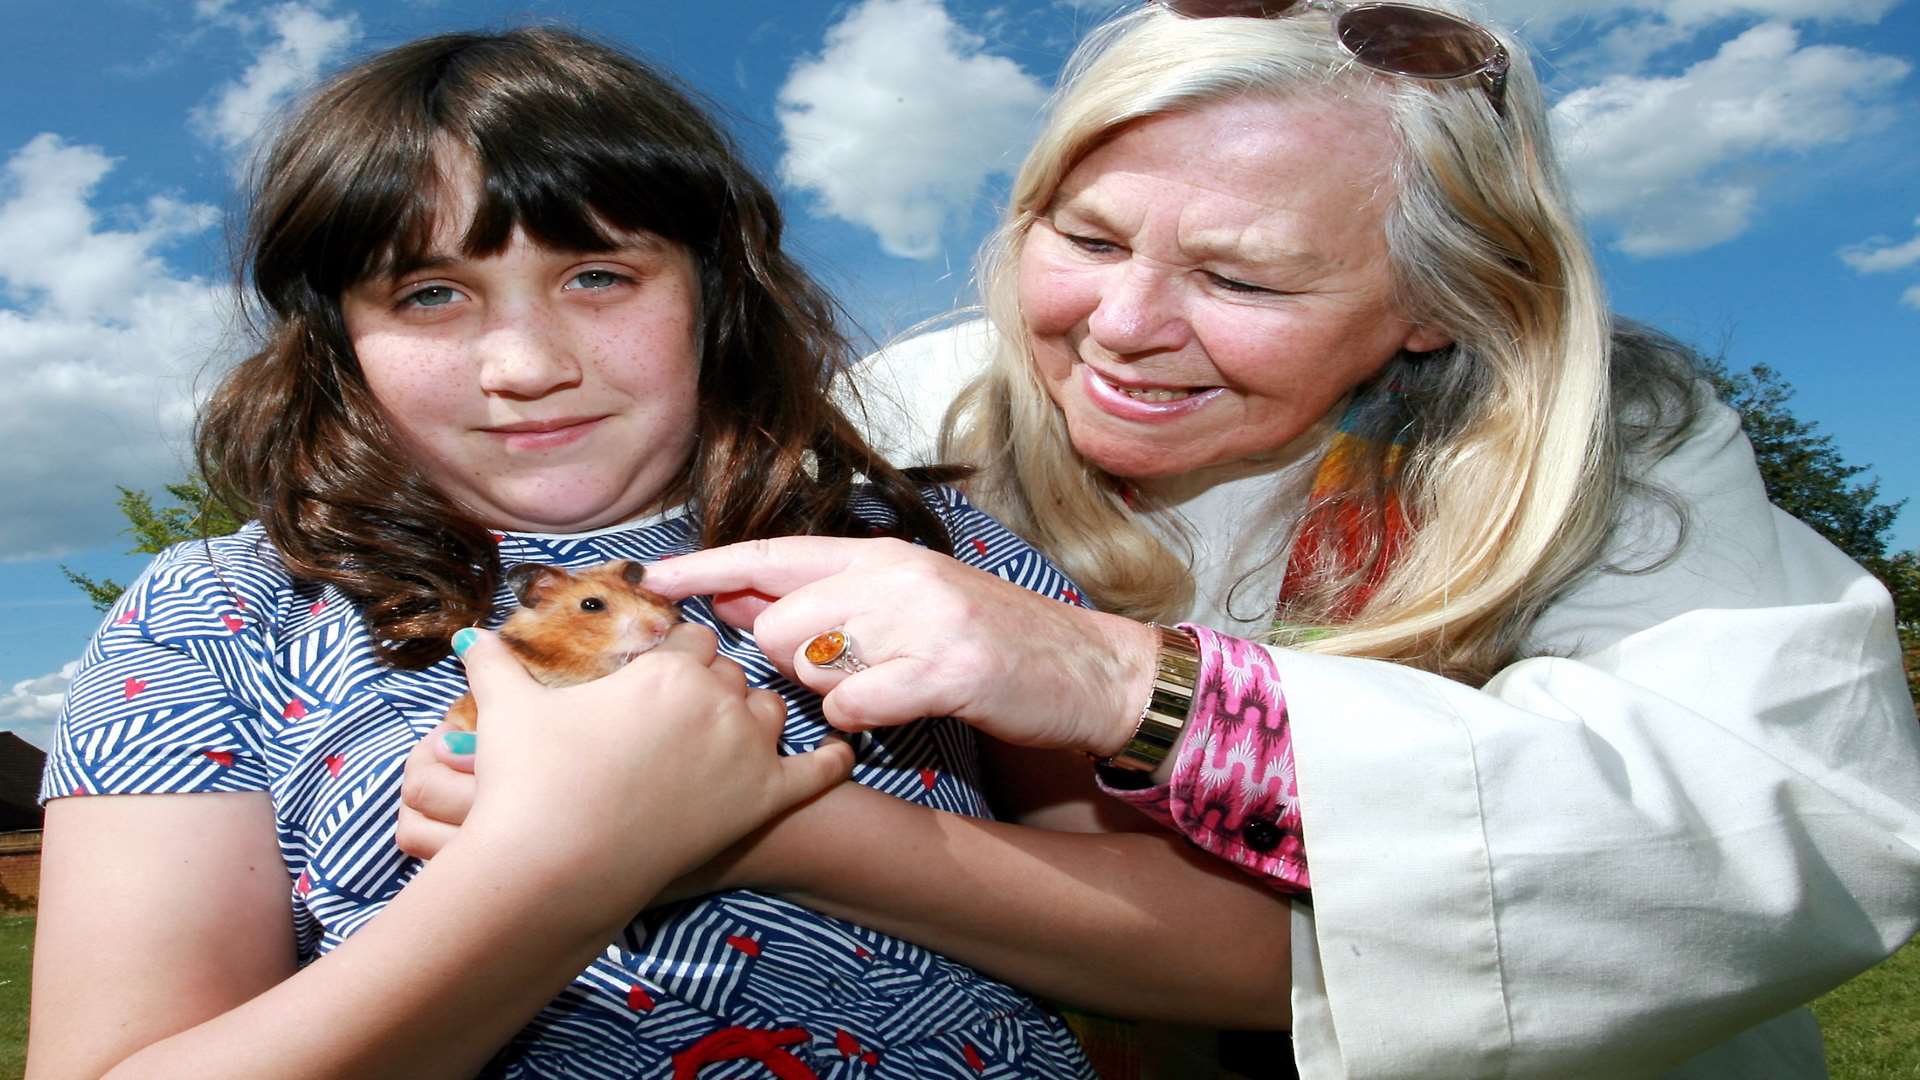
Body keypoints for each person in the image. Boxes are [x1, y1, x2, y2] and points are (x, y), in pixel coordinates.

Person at [554, 3, 1917, 1077]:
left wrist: (1122, 683)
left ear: (1440, 303)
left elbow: (1772, 826)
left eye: (1241, 277)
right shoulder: (911, 415)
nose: (1123, 326)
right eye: (1083, 237)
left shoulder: (1615, 451)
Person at [19, 26, 1296, 1078]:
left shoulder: (924, 548)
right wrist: (565, 862)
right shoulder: (218, 616)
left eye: (598, 278)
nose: (526, 367)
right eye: (428, 294)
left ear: (714, 290)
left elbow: (1264, 962)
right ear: (337, 337)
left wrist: (774, 831)